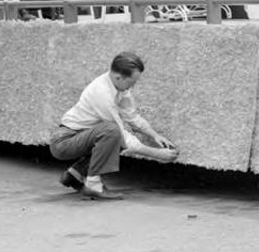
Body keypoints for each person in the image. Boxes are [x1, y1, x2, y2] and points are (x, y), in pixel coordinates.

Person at [49, 51, 177, 201]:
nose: (133, 86)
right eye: (131, 82)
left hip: (79, 135)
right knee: (112, 132)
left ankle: (74, 175)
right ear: (118, 77)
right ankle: (93, 186)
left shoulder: (120, 87)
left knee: (114, 137)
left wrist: (154, 135)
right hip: (64, 142)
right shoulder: (102, 93)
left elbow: (132, 116)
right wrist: (157, 155)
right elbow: (120, 134)